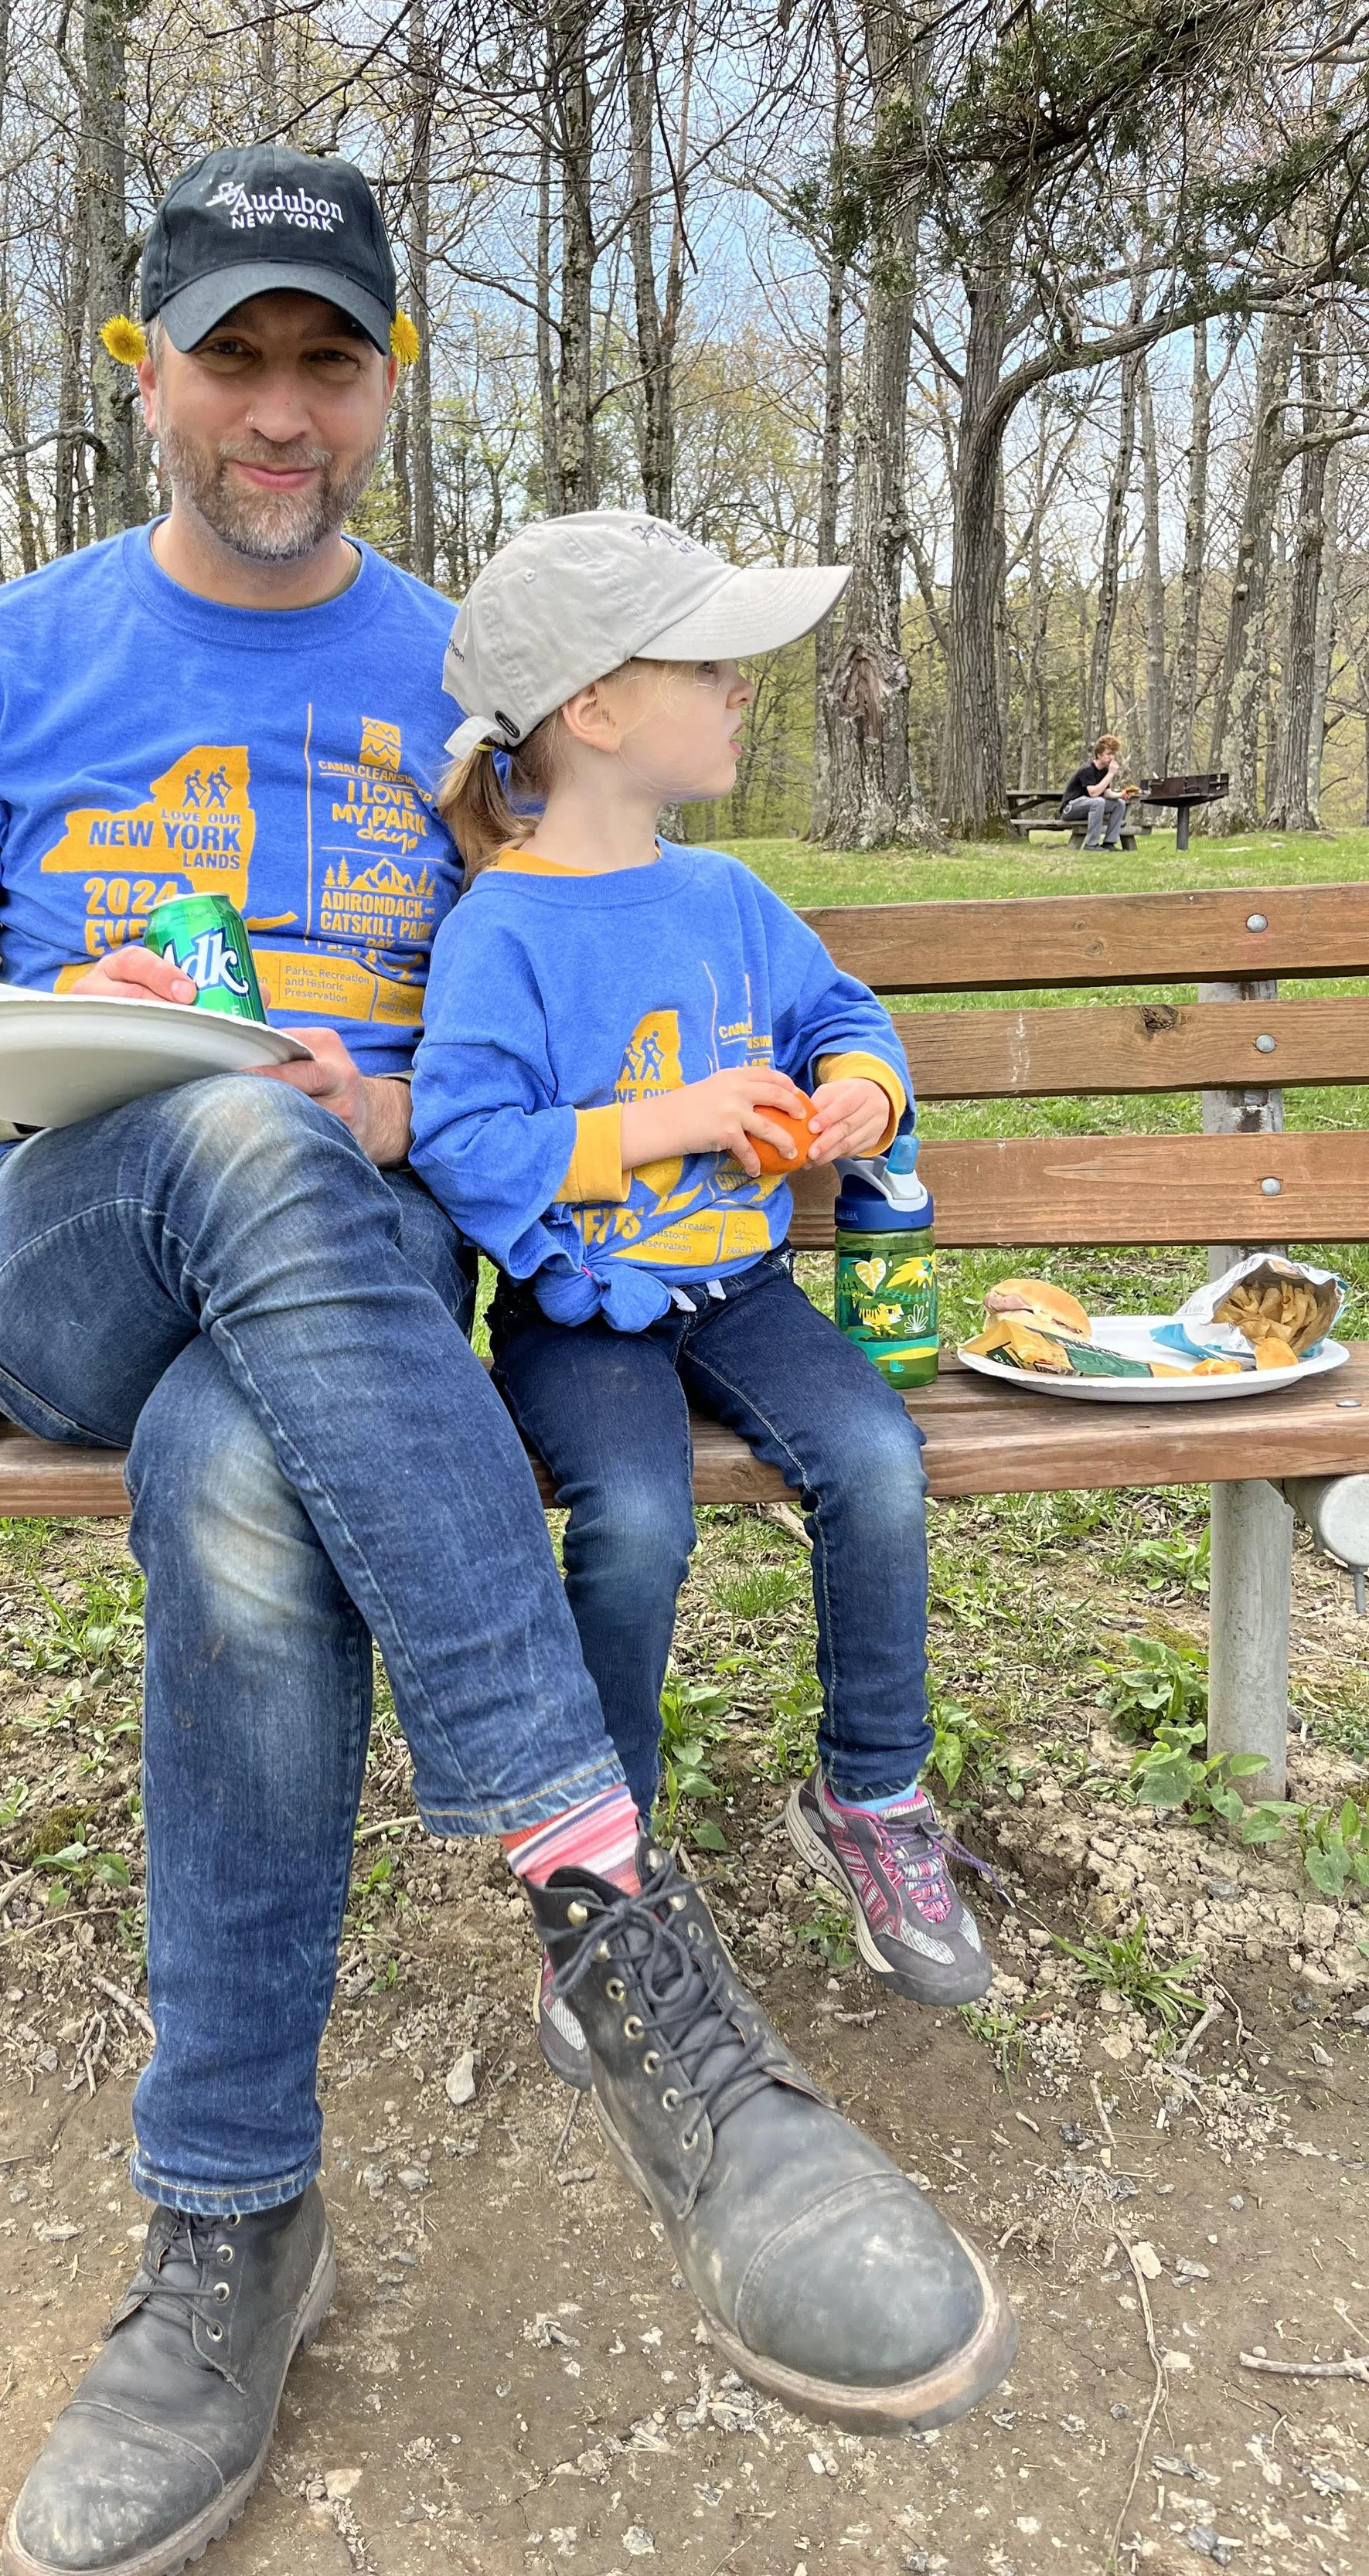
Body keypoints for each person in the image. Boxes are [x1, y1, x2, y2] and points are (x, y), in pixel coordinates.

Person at [0, 149, 1013, 2576]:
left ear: (380, 385)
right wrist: (81, 1038)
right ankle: (614, 1921)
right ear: (142, 374)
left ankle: (228, 2228)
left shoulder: (450, 675)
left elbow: (564, 976)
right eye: (231, 358)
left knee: (255, 1468)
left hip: (343, 1289)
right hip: (71, 1240)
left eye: (325, 361)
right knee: (232, 1145)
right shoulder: (0, 661)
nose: (277, 411)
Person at [410, 514, 996, 2106]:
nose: (744, 690)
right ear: (597, 708)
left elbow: (837, 1011)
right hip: (579, 1314)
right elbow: (465, 1148)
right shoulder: (502, 930)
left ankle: (868, 1796)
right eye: (711, 665)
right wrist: (666, 1122)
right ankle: (603, 1886)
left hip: (736, 1288)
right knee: (638, 1521)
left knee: (873, 1461)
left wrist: (860, 1083)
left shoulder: (726, 894)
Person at [1062, 732, 1130, 849]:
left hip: (1090, 806)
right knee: (1098, 801)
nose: (1112, 758)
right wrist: (1111, 774)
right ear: (1099, 755)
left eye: (1113, 754)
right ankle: (1091, 844)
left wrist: (1122, 794)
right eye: (1108, 754)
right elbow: (1093, 793)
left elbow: (1107, 792)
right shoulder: (1087, 769)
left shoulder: (1104, 771)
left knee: (1120, 804)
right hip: (1071, 808)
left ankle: (1109, 843)